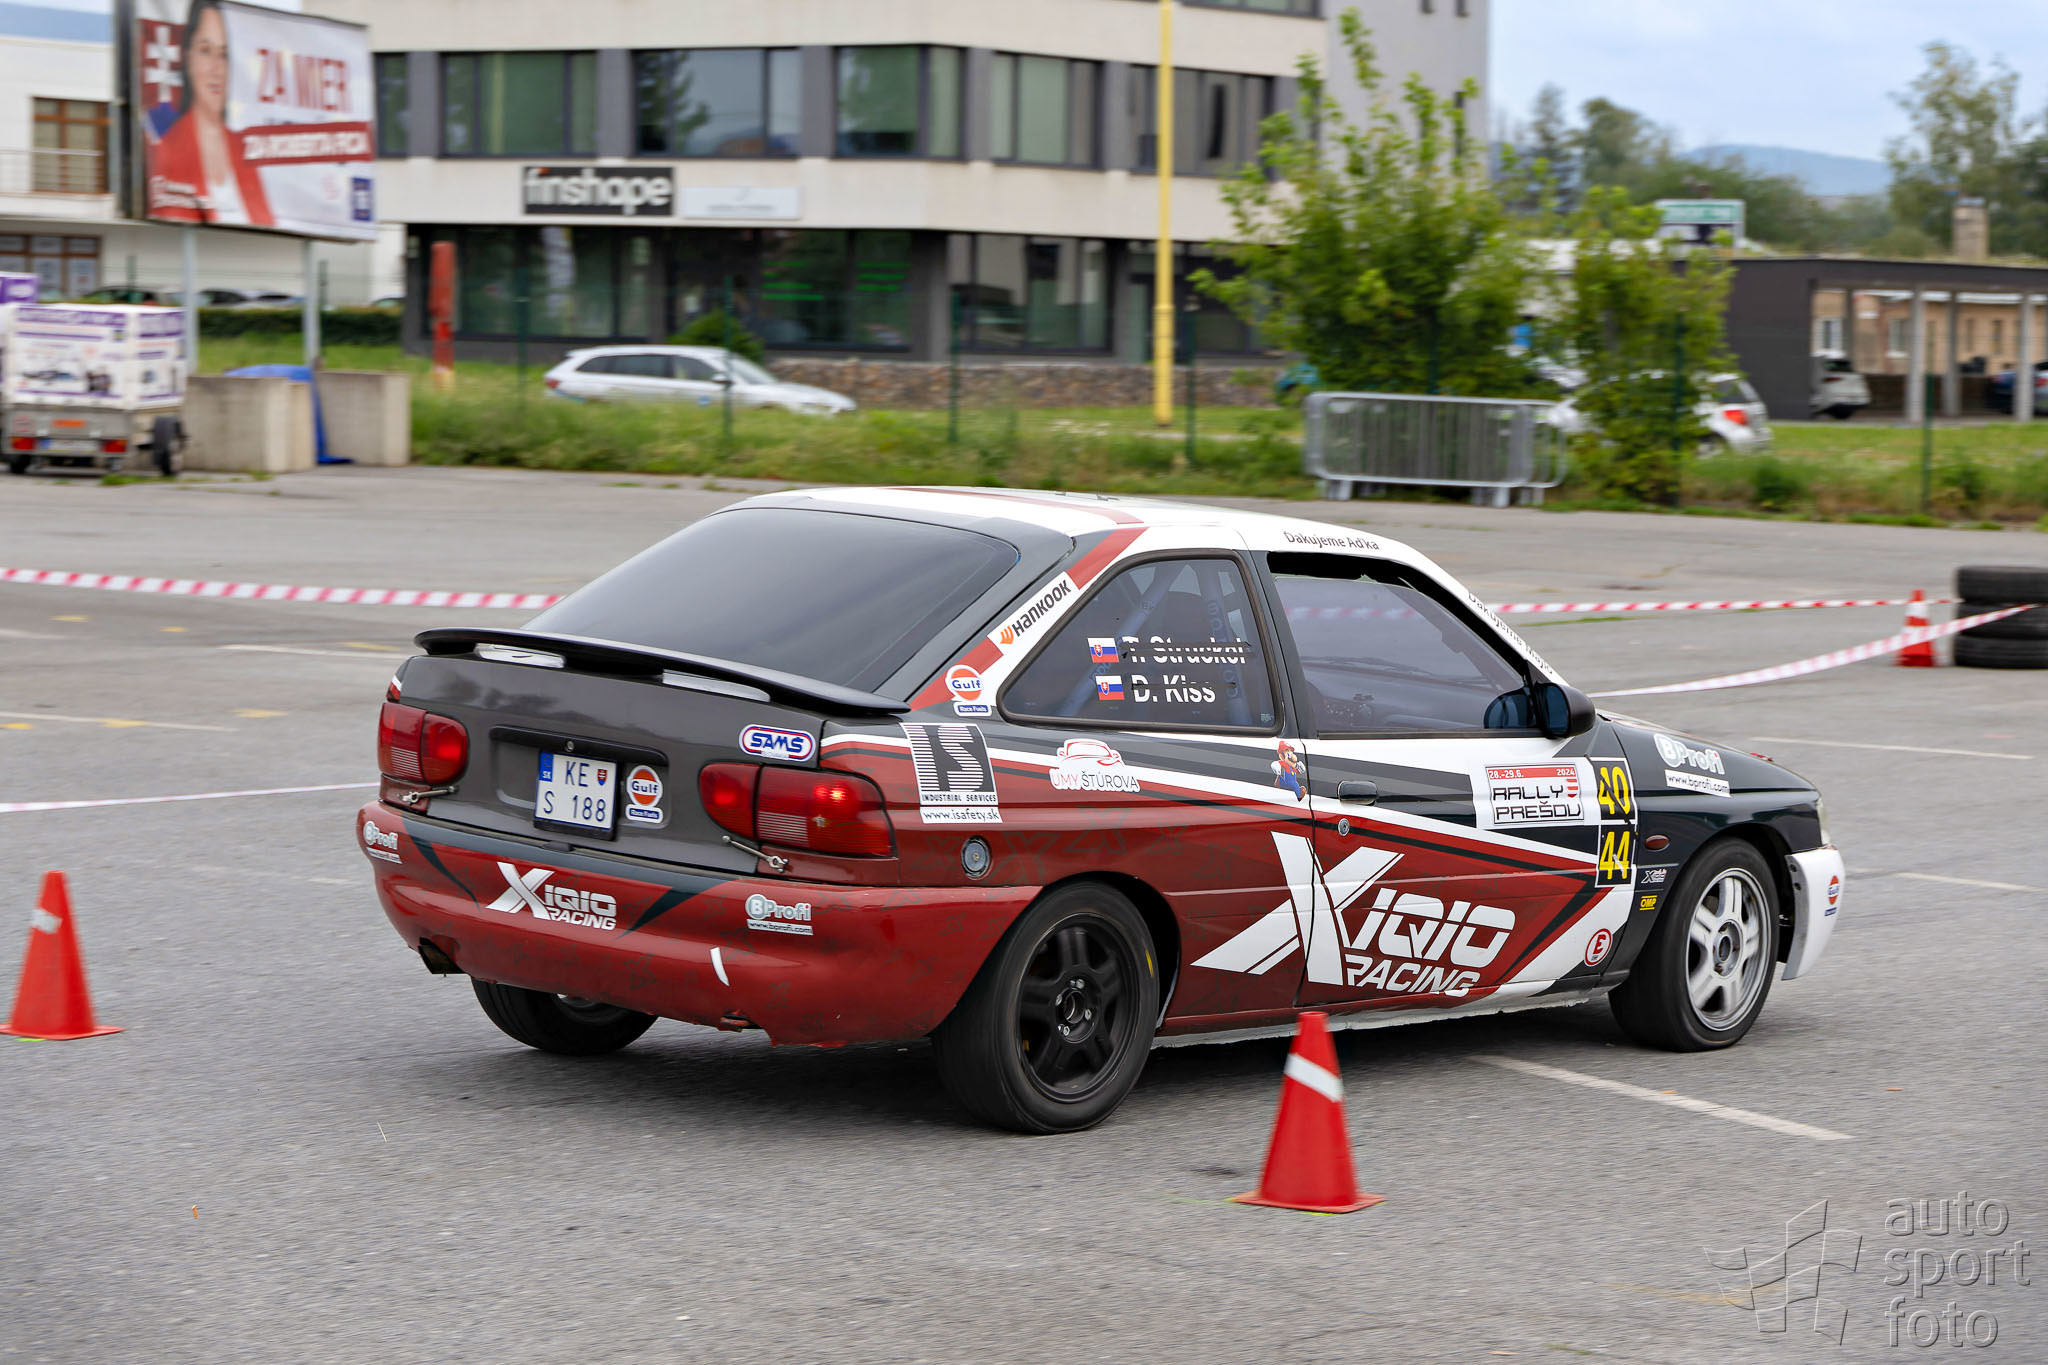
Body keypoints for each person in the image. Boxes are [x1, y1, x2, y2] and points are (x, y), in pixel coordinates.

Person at [148, 0, 273, 227]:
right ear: (188, 57)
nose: (216, 69)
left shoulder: (245, 152)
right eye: (205, 51)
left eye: (224, 55)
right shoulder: (167, 152)